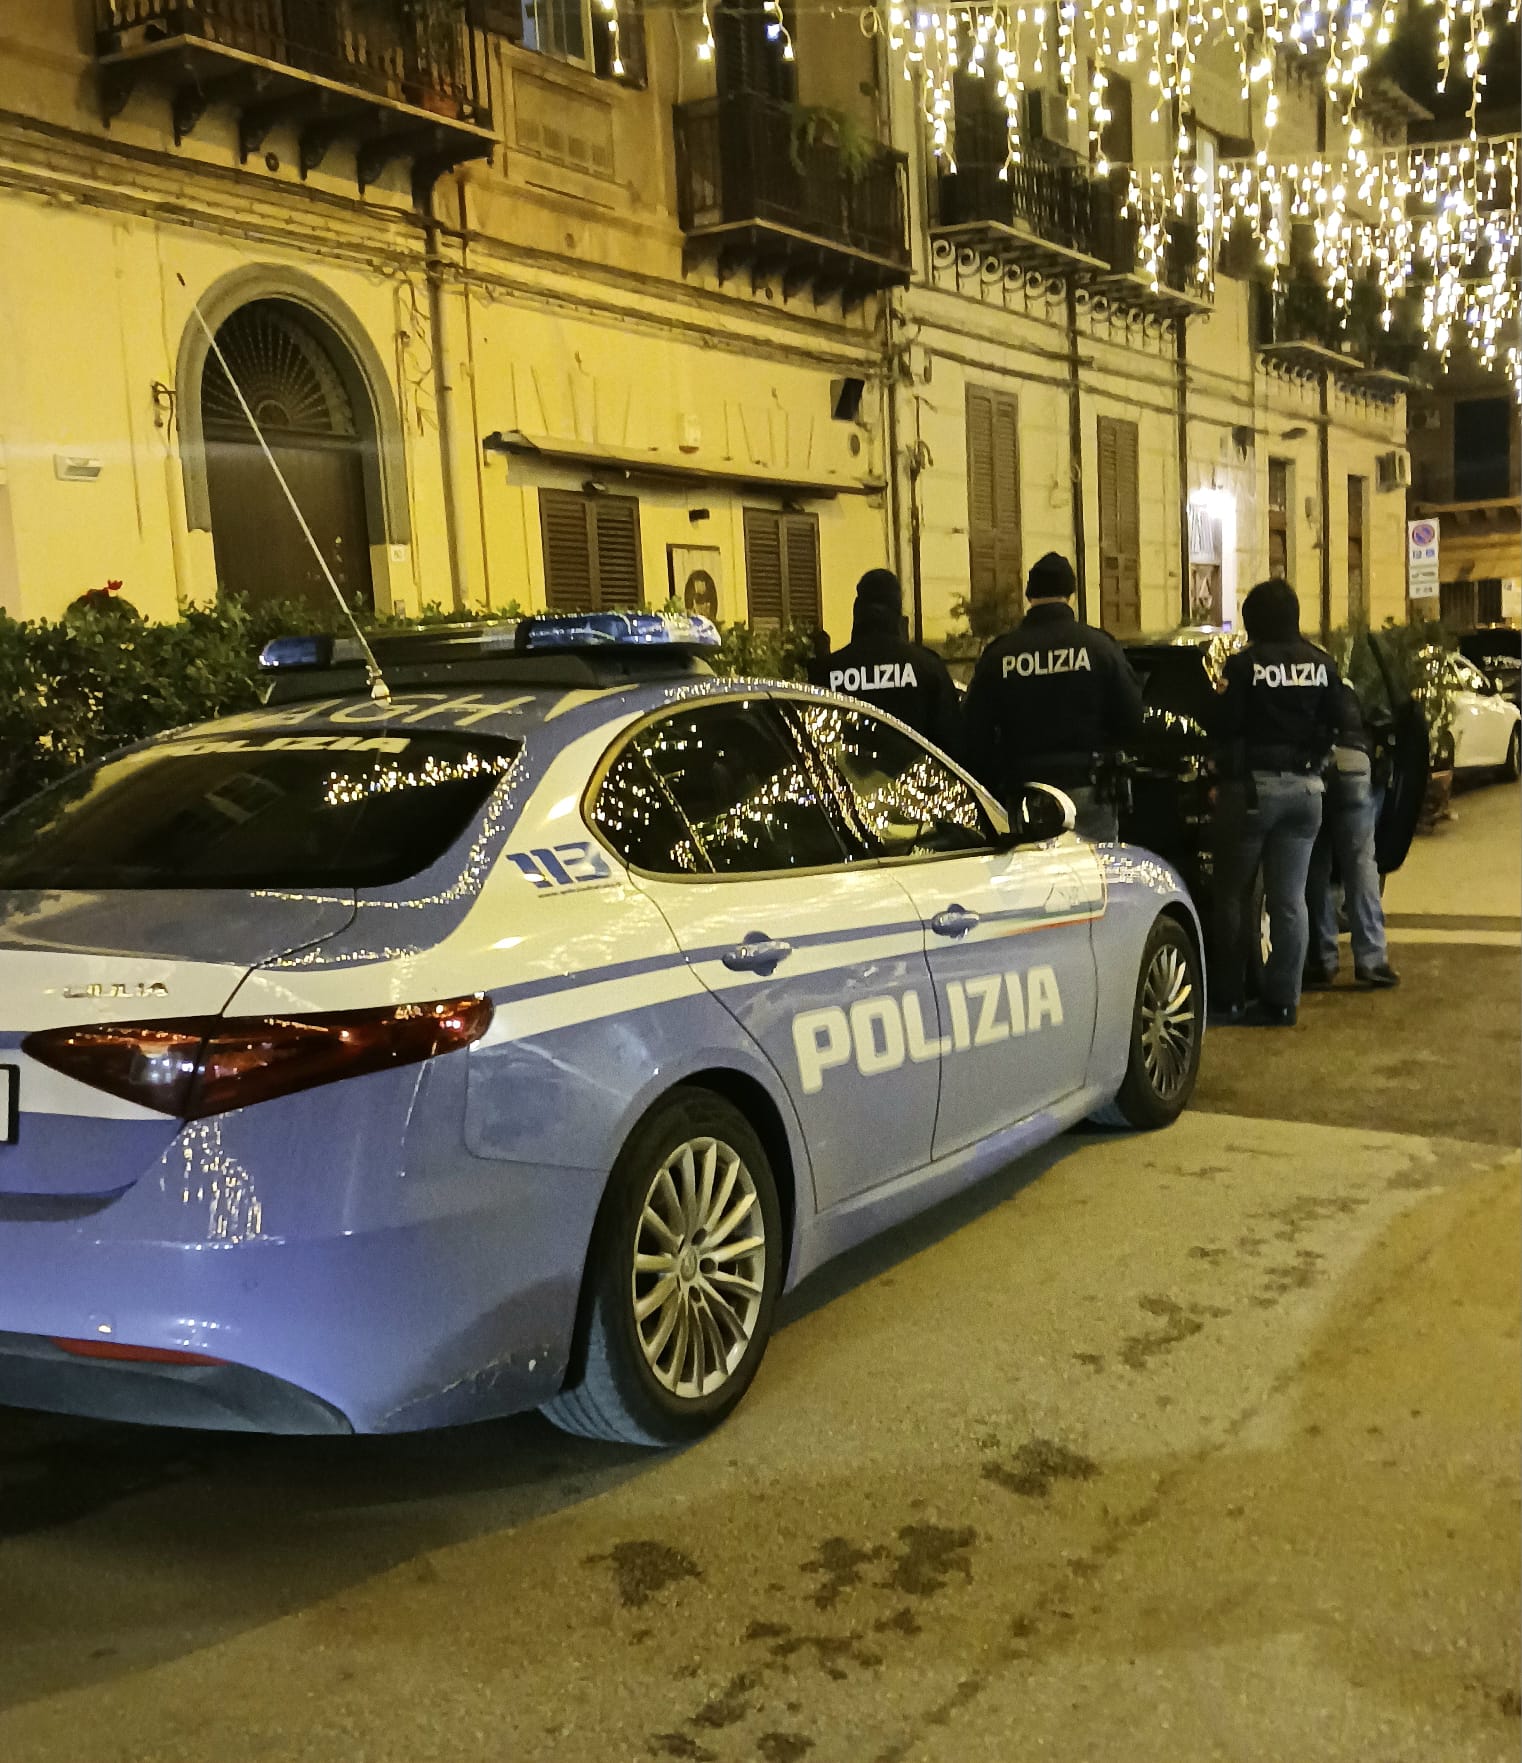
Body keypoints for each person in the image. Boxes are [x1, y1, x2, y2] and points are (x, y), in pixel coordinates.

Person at [1210, 577, 1339, 1027]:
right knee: (1289, 899)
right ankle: (1283, 1000)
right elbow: (1342, 721)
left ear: (1254, 621)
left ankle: (1226, 997)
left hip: (1252, 791)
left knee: (1231, 894)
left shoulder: (1245, 666)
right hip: (1307, 791)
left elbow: (1223, 726)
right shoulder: (1323, 664)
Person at [960, 551, 1143, 840]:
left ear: (1029, 595)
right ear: (1071, 593)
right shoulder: (1098, 647)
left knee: (1033, 881)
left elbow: (973, 733)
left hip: (1025, 794)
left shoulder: (1000, 654)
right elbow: (1132, 718)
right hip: (1089, 788)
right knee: (1096, 878)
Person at [1303, 679, 1400, 989]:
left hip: (1312, 766)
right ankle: (1371, 958)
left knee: (1314, 867)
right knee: (1360, 863)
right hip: (1354, 764)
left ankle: (1323, 957)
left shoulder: (1296, 681)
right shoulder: (1346, 688)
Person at [808, 568, 960, 753]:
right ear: (898, 611)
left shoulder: (828, 671)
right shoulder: (928, 668)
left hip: (848, 780)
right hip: (914, 778)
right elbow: (953, 746)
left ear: (857, 608)